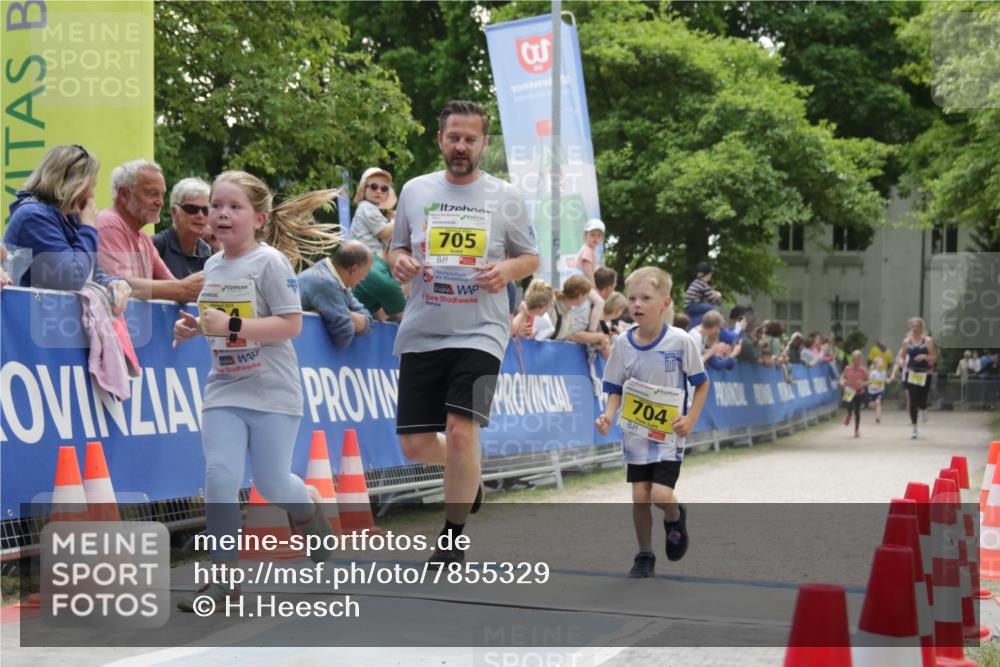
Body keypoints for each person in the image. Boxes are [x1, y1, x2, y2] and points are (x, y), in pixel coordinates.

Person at [172, 170, 341, 611]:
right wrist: (193, 328)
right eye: (216, 206)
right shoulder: (210, 265)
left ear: (259, 218)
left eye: (234, 207)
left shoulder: (270, 263)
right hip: (224, 388)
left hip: (272, 391)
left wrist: (231, 325)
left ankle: (305, 509)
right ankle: (224, 581)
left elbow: (291, 324)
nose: (222, 214)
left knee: (271, 482)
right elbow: (218, 324)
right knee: (220, 477)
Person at [389, 100, 539, 564]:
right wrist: (400, 262)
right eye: (453, 137)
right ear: (440, 139)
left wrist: (506, 270)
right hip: (423, 329)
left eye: (470, 139)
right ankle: (467, 472)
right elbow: (395, 248)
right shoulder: (414, 191)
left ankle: (452, 536)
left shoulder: (506, 197)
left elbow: (530, 257)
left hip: (481, 332)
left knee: (459, 432)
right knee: (415, 447)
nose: (460, 146)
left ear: (483, 144)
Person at [596, 266, 709, 578]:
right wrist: (607, 414)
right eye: (632, 298)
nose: (637, 304)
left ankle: (674, 515)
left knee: (660, 496)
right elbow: (614, 388)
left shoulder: (680, 341)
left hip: (669, 435)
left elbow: (701, 383)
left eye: (646, 297)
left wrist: (691, 417)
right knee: (639, 496)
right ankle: (644, 554)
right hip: (636, 433)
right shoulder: (622, 344)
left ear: (665, 303)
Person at [2, 145, 130, 312]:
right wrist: (89, 228)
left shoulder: (70, 221)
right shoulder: (33, 216)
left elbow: (91, 275)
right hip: (24, 324)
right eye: (90, 187)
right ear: (71, 184)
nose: (92, 195)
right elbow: (71, 278)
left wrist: (114, 283)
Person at [97, 159, 203, 303]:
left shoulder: (144, 237)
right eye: (152, 193)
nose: (160, 202)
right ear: (123, 194)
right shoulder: (109, 224)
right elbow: (121, 288)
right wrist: (183, 289)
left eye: (162, 194)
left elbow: (175, 285)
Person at [299, 240, 374, 348]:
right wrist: (349, 316)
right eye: (366, 271)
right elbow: (344, 337)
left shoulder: (339, 281)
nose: (365, 277)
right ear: (354, 269)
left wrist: (346, 313)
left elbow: (369, 324)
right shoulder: (325, 281)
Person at [152, 177, 215, 278]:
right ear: (174, 211)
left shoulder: (208, 249)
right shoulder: (157, 245)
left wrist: (219, 247)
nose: (200, 215)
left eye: (205, 210)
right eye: (192, 209)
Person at [888, 316, 937, 439]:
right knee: (913, 400)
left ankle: (924, 408)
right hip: (912, 373)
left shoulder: (927, 341)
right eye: (913, 326)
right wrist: (901, 362)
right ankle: (915, 429)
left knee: (922, 400)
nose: (914, 328)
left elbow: (934, 358)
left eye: (917, 326)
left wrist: (924, 357)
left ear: (921, 328)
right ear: (910, 327)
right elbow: (902, 356)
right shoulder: (906, 342)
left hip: (925, 373)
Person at [350, 167, 397, 256]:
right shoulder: (366, 207)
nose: (379, 191)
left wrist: (389, 221)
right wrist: (395, 221)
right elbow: (383, 232)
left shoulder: (372, 209)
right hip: (366, 258)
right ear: (364, 189)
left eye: (384, 189)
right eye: (374, 187)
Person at [839, 350, 869, 438]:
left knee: (857, 411)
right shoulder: (848, 368)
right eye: (854, 360)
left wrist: (863, 383)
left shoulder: (863, 370)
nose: (856, 362)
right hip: (849, 390)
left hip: (859, 392)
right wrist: (842, 381)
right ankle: (848, 415)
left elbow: (869, 380)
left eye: (858, 360)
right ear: (852, 360)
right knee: (848, 405)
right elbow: (843, 376)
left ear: (860, 360)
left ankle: (856, 430)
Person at [683, 261, 722, 327]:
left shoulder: (696, 282)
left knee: (705, 308)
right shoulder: (703, 285)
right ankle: (715, 325)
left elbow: (708, 293)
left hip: (688, 306)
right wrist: (718, 295)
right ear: (709, 274)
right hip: (693, 306)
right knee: (713, 309)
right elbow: (713, 300)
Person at [868, 356, 887, 423]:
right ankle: (872, 404)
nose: (882, 363)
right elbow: (869, 383)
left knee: (878, 403)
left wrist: (890, 380)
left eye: (882, 362)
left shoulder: (884, 372)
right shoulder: (873, 373)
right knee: (872, 405)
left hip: (879, 391)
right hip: (872, 392)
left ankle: (878, 417)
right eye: (880, 362)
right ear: (876, 365)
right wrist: (874, 386)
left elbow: (884, 381)